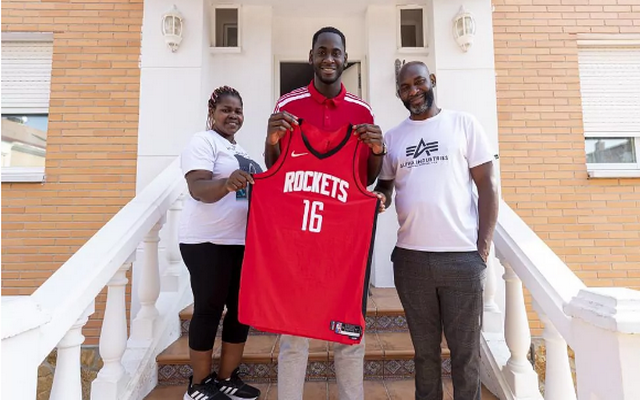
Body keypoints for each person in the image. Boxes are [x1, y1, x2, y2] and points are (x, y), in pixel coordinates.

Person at [263, 27, 385, 400]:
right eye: (322, 52)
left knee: (348, 330)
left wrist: (377, 151)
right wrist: (270, 140)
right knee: (294, 332)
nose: (329, 58)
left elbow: (366, 178)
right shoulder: (288, 105)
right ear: (311, 57)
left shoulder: (362, 111)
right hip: (298, 238)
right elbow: (274, 170)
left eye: (336, 52)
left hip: (344, 242)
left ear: (345, 59)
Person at [374, 61, 499, 400]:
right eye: (404, 87)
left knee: (465, 354)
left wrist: (483, 247)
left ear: (432, 80)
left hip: (462, 259)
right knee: (425, 354)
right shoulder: (393, 137)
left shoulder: (463, 124)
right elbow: (385, 186)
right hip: (411, 261)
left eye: (418, 82)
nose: (413, 91)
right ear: (399, 94)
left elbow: (488, 186)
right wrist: (380, 198)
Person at [179, 86, 262, 400]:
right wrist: (226, 184)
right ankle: (199, 385)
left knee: (241, 311)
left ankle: (227, 378)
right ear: (212, 112)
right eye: (226, 110)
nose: (233, 116)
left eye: (238, 111)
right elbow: (198, 188)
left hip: (241, 242)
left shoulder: (243, 151)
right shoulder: (203, 142)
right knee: (209, 309)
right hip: (206, 240)